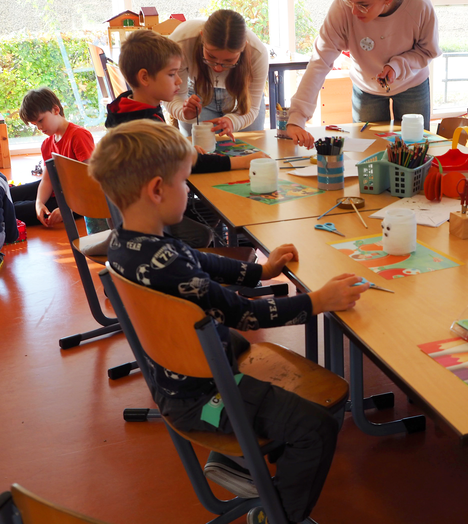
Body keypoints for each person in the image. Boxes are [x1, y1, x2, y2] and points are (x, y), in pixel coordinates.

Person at [89, 120, 368, 524]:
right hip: (201, 399)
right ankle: (279, 515)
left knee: (236, 344)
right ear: (157, 189)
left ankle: (235, 462)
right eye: (185, 182)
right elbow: (246, 313)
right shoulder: (171, 265)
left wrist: (261, 272)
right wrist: (318, 301)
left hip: (172, 378)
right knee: (316, 428)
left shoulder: (124, 244)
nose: (188, 190)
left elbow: (199, 259)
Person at [286, 0, 441, 148]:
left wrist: (397, 67)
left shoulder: (419, 5)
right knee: (368, 150)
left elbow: (427, 51)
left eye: (363, 5)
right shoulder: (342, 8)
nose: (354, 11)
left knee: (413, 151)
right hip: (366, 88)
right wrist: (297, 117)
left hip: (412, 85)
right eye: (350, 0)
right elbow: (320, 61)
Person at [106, 29, 265, 174]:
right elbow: (185, 163)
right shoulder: (143, 126)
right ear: (145, 77)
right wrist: (242, 161)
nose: (179, 81)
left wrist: (182, 150)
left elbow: (166, 156)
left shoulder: (126, 109)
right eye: (171, 74)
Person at [166, 9, 269, 139]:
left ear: (243, 48)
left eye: (229, 61)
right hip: (197, 96)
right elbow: (171, 96)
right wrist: (183, 111)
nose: (218, 68)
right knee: (200, 152)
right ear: (202, 37)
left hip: (241, 97)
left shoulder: (257, 53)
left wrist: (233, 121)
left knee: (249, 150)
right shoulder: (181, 43)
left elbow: (252, 108)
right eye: (211, 56)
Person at [11, 88, 94, 228]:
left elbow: (91, 180)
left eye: (40, 121)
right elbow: (47, 180)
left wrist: (67, 209)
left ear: (56, 110)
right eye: (34, 124)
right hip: (57, 189)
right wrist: (39, 203)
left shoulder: (78, 135)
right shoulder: (47, 144)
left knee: (12, 210)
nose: (39, 127)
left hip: (77, 198)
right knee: (6, 195)